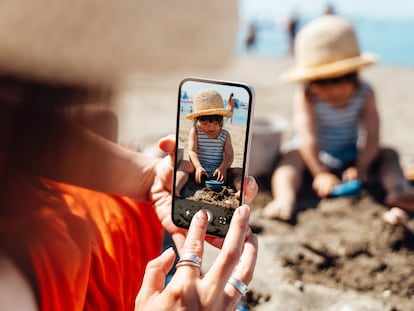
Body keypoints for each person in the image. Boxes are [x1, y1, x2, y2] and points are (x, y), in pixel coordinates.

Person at [0, 1, 259, 310]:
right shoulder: (13, 286)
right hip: (68, 249)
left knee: (103, 118)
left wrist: (145, 175)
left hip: (53, 209)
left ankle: (143, 158)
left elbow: (13, 123)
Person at [262, 15, 414, 226]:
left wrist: (361, 167)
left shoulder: (365, 92)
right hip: (312, 156)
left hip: (349, 154)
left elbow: (372, 134)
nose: (331, 90)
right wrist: (320, 173)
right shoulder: (307, 96)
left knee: (389, 154)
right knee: (289, 158)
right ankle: (284, 199)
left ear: (354, 74)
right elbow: (307, 135)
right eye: (321, 82)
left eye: (339, 79)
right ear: (310, 81)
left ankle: (398, 190)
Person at [175, 89, 240, 197]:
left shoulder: (225, 135)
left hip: (219, 171)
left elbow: (229, 154)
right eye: (204, 123)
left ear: (221, 120)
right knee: (184, 164)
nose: (210, 127)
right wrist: (198, 167)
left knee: (240, 172)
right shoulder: (196, 131)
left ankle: (240, 190)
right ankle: (176, 189)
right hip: (198, 170)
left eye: (215, 123)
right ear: (198, 120)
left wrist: (223, 168)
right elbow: (192, 151)